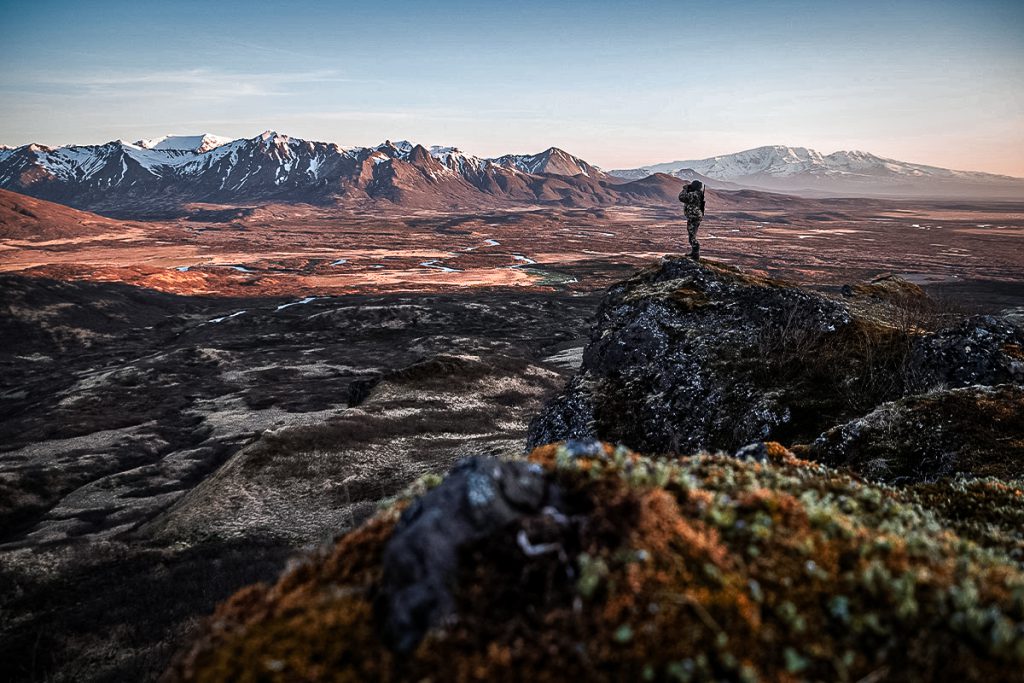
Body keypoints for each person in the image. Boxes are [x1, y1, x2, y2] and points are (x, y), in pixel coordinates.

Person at [678, 180, 706, 260]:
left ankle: (695, 254)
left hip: (694, 217)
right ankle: (694, 253)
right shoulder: (698, 193)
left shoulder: (694, 194)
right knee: (691, 235)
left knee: (692, 236)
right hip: (694, 216)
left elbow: (681, 197)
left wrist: (685, 189)